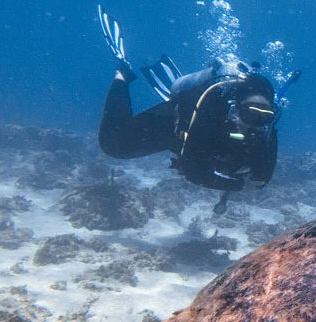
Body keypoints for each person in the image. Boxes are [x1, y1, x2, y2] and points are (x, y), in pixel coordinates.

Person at [96, 5, 300, 214]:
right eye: (250, 114)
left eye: (264, 117)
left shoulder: (264, 131)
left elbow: (262, 178)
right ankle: (122, 75)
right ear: (235, 108)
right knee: (113, 145)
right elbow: (193, 171)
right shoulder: (211, 113)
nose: (255, 124)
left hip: (204, 142)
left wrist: (240, 179)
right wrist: (238, 185)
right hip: (179, 123)